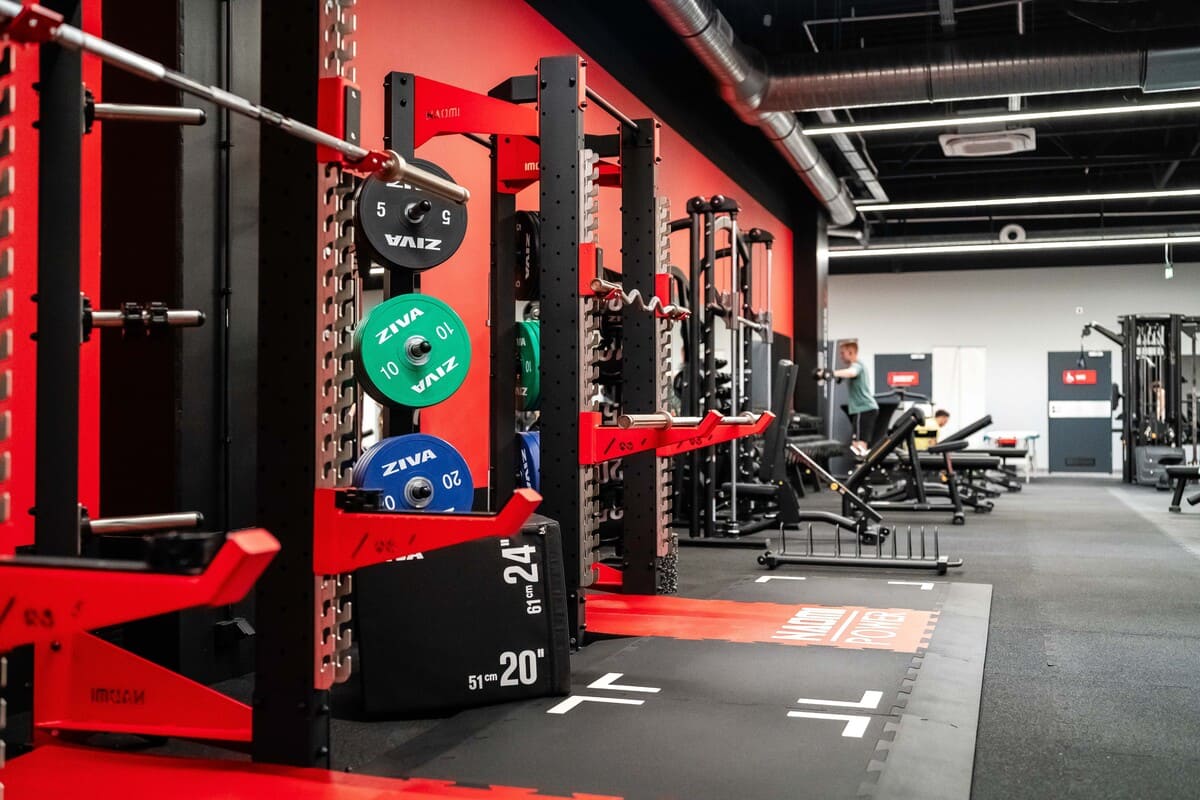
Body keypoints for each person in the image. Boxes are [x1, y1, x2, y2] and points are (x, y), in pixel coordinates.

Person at [832, 340, 877, 456]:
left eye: (842, 353)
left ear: (851, 352)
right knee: (858, 444)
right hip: (864, 409)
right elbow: (845, 375)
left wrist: (832, 373)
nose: (841, 356)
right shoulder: (856, 365)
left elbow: (851, 373)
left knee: (858, 445)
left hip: (863, 408)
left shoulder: (857, 365)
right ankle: (863, 463)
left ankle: (863, 465)